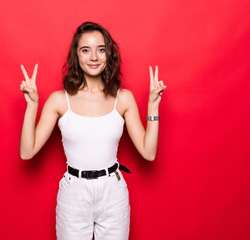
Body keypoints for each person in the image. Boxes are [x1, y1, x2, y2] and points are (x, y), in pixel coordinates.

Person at [19, 21, 166, 240]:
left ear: (109, 55)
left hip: (113, 192)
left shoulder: (123, 98)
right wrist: (32, 106)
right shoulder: (60, 100)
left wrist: (153, 107)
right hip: (73, 194)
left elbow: (148, 153)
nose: (94, 57)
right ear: (76, 56)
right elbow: (27, 152)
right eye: (85, 50)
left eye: (101, 49)